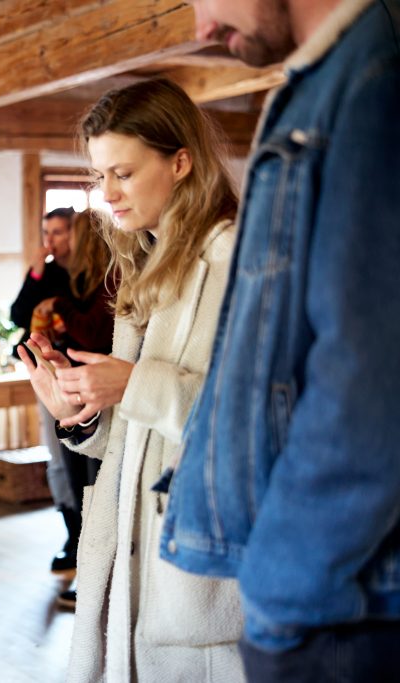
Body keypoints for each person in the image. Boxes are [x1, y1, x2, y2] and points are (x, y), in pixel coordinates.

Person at [160, 1, 400, 680]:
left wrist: (281, 586)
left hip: (342, 604)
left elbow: (370, 379)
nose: (202, 29)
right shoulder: (327, 83)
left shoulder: (372, 79)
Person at [18, 78, 243, 681]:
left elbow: (261, 422)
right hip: (131, 544)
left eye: (123, 173)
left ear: (180, 162)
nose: (107, 193)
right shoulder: (143, 260)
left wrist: (133, 384)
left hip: (200, 561)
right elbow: (137, 436)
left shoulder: (237, 261)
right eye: (100, 176)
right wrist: (82, 410)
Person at [10, 208, 115, 586]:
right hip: (52, 372)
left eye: (59, 232)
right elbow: (18, 314)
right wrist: (36, 274)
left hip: (85, 372)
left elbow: (93, 326)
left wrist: (60, 310)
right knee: (60, 456)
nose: (51, 240)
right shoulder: (50, 273)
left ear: (76, 234)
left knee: (89, 460)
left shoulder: (94, 270)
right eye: (47, 232)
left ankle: (92, 541)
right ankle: (73, 535)